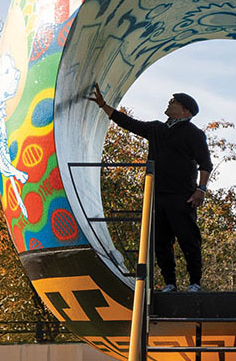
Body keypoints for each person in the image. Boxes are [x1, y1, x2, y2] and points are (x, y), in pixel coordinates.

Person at [89, 83, 212, 293]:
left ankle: (195, 283)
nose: (169, 103)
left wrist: (200, 190)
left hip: (182, 196)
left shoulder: (194, 134)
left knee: (188, 239)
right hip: (157, 195)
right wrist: (103, 106)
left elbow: (206, 164)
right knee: (161, 242)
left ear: (185, 111)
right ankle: (170, 283)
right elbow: (128, 123)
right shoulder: (157, 128)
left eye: (174, 102)